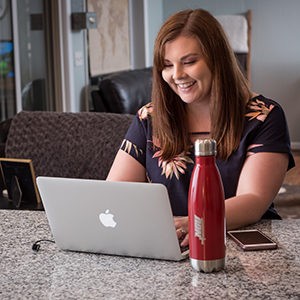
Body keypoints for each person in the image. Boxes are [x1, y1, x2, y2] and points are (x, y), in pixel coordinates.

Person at [107, 9, 295, 247]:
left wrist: (194, 223)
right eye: (167, 65)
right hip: (171, 245)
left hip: (241, 246)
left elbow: (254, 200)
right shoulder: (149, 117)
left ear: (217, 60)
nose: (176, 75)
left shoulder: (264, 117)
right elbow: (116, 193)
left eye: (189, 62)